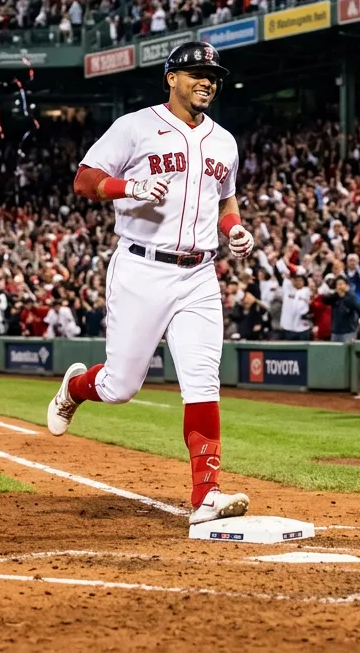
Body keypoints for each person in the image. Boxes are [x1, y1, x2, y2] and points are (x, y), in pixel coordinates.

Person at [47, 40, 254, 526]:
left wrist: (234, 229)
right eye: (197, 73)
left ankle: (206, 495)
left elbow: (226, 200)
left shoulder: (224, 141)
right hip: (142, 268)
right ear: (171, 78)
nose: (207, 82)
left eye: (213, 76)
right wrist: (129, 186)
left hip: (199, 273)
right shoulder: (135, 126)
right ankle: (75, 388)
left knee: (202, 381)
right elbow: (84, 179)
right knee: (120, 386)